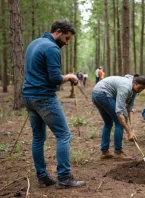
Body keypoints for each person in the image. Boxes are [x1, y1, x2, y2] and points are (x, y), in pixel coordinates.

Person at [22, 20, 85, 188]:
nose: (67, 42)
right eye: (66, 38)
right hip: (44, 97)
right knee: (64, 135)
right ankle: (64, 178)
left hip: (29, 97)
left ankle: (42, 177)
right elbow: (55, 79)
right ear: (58, 32)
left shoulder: (34, 43)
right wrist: (70, 77)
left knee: (38, 138)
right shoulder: (52, 48)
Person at [92, 74, 145, 160]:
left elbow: (130, 107)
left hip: (96, 93)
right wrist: (129, 132)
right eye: (139, 88)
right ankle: (118, 152)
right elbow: (119, 113)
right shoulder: (125, 88)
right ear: (135, 83)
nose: (140, 90)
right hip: (103, 94)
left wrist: (131, 126)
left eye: (143, 89)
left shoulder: (133, 89)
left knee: (108, 123)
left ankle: (105, 151)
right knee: (119, 122)